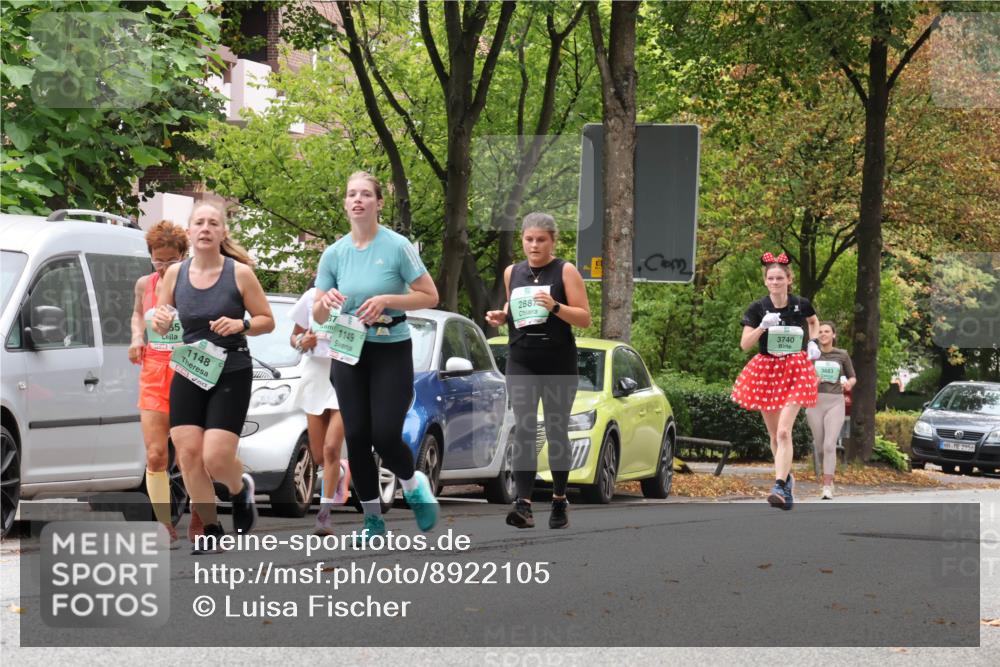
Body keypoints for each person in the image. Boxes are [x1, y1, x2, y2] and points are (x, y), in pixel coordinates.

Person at [312, 171, 440, 542]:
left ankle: (414, 485)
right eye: (351, 194)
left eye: (366, 194)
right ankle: (373, 521)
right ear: (346, 204)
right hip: (349, 350)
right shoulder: (334, 253)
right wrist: (326, 302)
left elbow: (429, 296)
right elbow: (318, 314)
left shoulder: (397, 246)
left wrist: (388, 299)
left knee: (385, 434)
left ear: (378, 203)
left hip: (391, 348)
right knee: (357, 435)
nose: (358, 200)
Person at [151, 202, 274, 554]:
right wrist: (160, 321)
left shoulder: (239, 274)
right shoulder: (174, 274)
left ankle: (239, 490)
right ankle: (211, 527)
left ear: (222, 233)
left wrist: (242, 324)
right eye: (199, 222)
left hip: (231, 368)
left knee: (216, 457)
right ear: (190, 232)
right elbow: (162, 321)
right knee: (188, 455)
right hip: (190, 368)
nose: (205, 228)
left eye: (213, 223)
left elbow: (267, 319)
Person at [485, 212, 591, 529]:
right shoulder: (512, 272)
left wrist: (555, 306)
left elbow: (584, 318)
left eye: (541, 240)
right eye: (529, 239)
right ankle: (524, 504)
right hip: (521, 359)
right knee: (526, 428)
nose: (534, 245)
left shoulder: (565, 271)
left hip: (558, 360)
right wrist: (502, 317)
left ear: (552, 241)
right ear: (522, 240)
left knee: (556, 430)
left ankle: (559, 499)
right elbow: (514, 307)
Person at [128, 220, 203, 545]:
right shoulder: (145, 283)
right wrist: (136, 337)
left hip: (188, 369)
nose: (163, 266)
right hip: (154, 371)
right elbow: (136, 315)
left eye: (170, 260)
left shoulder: (196, 283)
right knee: (157, 454)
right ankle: (163, 523)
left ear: (183, 256)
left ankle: (200, 516)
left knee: (191, 454)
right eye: (158, 259)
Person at [731, 251, 820, 510]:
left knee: (784, 431)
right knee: (773, 435)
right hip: (767, 371)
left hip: (796, 369)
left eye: (780, 278)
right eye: (771, 278)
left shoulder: (801, 304)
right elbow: (745, 345)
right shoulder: (757, 308)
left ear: (788, 279)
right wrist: (762, 327)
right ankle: (787, 478)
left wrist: (813, 342)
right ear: (765, 281)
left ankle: (779, 485)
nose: (775, 282)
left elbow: (814, 322)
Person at [288, 283, 350, 535]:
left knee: (331, 448)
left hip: (345, 373)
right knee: (318, 456)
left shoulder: (354, 295)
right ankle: (342, 470)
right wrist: (303, 341)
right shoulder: (311, 297)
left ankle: (324, 517)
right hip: (315, 373)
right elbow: (294, 337)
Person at [805, 321, 856, 499]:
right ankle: (829, 478)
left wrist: (849, 383)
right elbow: (802, 379)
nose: (823, 334)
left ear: (833, 335)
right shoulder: (811, 355)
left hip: (835, 402)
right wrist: (811, 382)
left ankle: (827, 486)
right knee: (820, 446)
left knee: (829, 445)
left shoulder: (842, 355)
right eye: (820, 331)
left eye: (827, 331)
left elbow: (852, 377)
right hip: (814, 402)